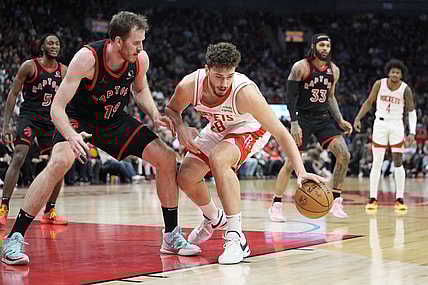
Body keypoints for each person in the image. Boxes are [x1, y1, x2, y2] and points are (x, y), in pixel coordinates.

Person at [1, 11, 200, 266]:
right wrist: (71, 136)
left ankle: (171, 236)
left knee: (166, 157)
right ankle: (15, 236)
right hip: (77, 118)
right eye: (136, 43)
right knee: (60, 162)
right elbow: (57, 107)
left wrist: (153, 114)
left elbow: (140, 89)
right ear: (118, 41)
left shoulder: (140, 59)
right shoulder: (87, 58)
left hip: (113, 118)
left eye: (142, 42)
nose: (141, 48)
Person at [166, 42, 325, 264]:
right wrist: (181, 128)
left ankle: (236, 237)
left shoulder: (245, 92)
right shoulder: (190, 85)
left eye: (229, 76)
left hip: (250, 128)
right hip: (219, 127)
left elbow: (281, 132)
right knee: (185, 177)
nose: (224, 83)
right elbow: (172, 109)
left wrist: (301, 171)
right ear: (207, 69)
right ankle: (214, 218)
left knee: (219, 159)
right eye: (219, 76)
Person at [268, 33, 353, 222]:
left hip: (323, 119)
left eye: (328, 46)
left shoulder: (334, 70)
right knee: (291, 163)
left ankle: (336, 200)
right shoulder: (301, 67)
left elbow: (330, 97)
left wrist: (340, 120)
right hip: (303, 118)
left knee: (344, 155)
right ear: (314, 46)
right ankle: (276, 204)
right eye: (321, 45)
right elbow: (290, 97)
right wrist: (294, 123)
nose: (325, 49)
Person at [0, 34, 68, 227]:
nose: (54, 46)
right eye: (50, 43)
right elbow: (13, 94)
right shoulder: (29, 66)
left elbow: (71, 97)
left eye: (57, 43)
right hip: (30, 116)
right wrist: (6, 126)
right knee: (19, 157)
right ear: (42, 47)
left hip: (51, 119)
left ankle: (50, 211)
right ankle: (3, 207)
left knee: (60, 163)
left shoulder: (63, 71)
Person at [353, 59, 416, 211]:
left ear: (401, 75)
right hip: (380, 124)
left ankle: (399, 199)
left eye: (398, 72)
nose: (395, 74)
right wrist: (358, 117)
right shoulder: (379, 84)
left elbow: (411, 111)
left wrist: (412, 131)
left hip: (396, 125)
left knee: (398, 161)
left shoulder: (405, 89)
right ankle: (372, 198)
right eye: (392, 71)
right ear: (388, 72)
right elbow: (369, 102)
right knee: (377, 162)